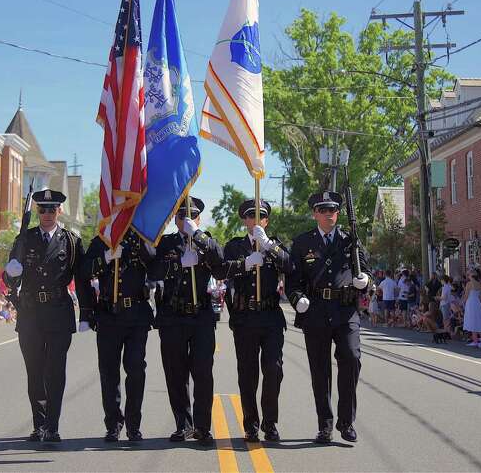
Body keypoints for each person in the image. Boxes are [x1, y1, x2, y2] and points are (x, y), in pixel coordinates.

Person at [288, 190, 370, 445]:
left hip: (345, 310)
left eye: (333, 210)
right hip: (316, 312)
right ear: (315, 214)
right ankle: (325, 425)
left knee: (352, 358)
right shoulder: (302, 243)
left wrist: (365, 280)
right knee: (320, 370)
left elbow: (366, 271)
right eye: (323, 210)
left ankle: (346, 422)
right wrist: (297, 298)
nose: (328, 215)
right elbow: (292, 280)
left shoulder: (350, 241)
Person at [6, 188, 85, 443]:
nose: (47, 214)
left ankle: (52, 426)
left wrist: (87, 312)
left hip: (59, 312)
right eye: (43, 209)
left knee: (55, 371)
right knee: (35, 371)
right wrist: (11, 272)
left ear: (59, 211)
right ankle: (38, 424)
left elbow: (82, 279)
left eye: (52, 209)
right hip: (30, 313)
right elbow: (10, 278)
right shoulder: (24, 239)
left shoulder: (71, 241)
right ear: (37, 211)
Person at [148, 196, 229, 445]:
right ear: (175, 219)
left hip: (201, 317)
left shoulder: (208, 241)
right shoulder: (166, 243)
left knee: (203, 372)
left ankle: (203, 427)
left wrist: (200, 238)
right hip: (173, 317)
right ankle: (183, 425)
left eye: (192, 216)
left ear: (199, 218)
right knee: (176, 373)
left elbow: (221, 268)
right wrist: (178, 266)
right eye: (182, 216)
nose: (187, 220)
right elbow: (153, 270)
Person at [222, 199, 291, 443]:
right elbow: (221, 270)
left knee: (273, 370)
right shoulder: (235, 246)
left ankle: (270, 423)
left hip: (271, 318)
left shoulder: (275, 245)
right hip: (245, 318)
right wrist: (246, 263)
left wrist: (268, 246)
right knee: (248, 374)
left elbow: (290, 265)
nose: (255, 220)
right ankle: (250, 424)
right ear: (244, 220)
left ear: (266, 221)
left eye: (260, 216)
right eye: (250, 216)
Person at [79, 228, 154, 443]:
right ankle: (113, 424)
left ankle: (133, 425)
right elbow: (84, 271)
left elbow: (155, 267)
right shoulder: (102, 241)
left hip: (137, 316)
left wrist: (143, 248)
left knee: (136, 370)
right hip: (108, 316)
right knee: (109, 373)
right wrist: (105, 257)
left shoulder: (143, 239)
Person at [462, 268, 481, 346]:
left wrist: (463, 302)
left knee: (472, 320)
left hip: (471, 302)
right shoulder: (479, 284)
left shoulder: (469, 284)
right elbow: (480, 296)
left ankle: (475, 340)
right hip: (477, 303)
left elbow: (466, 296)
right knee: (478, 319)